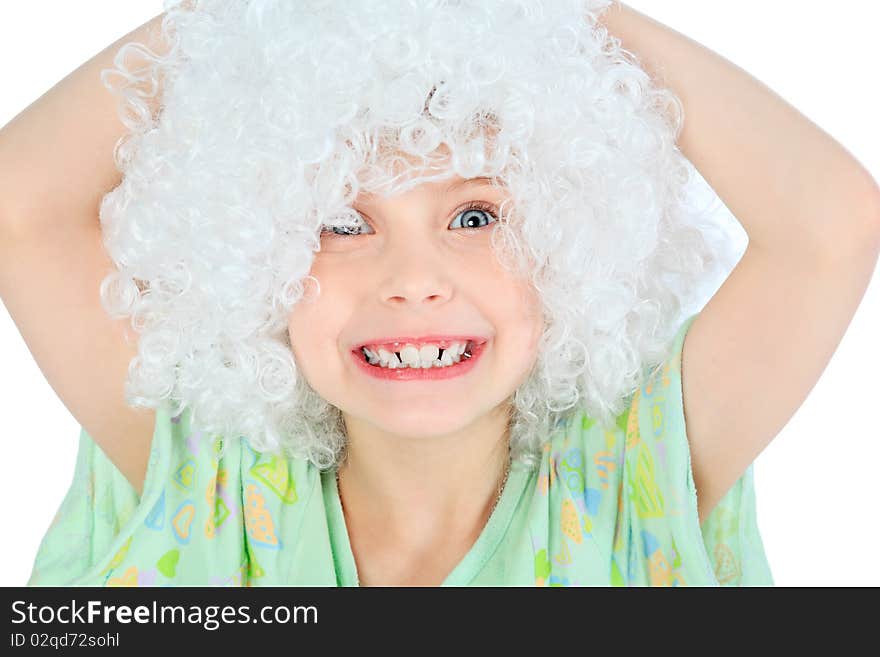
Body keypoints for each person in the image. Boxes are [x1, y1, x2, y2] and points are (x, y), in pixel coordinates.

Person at [1, 0, 877, 587]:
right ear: (254, 259)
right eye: (343, 222)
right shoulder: (206, 469)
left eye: (474, 215)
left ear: (568, 244)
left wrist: (567, 12)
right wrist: (240, 14)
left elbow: (832, 224)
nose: (413, 280)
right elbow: (19, 202)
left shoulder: (633, 470)